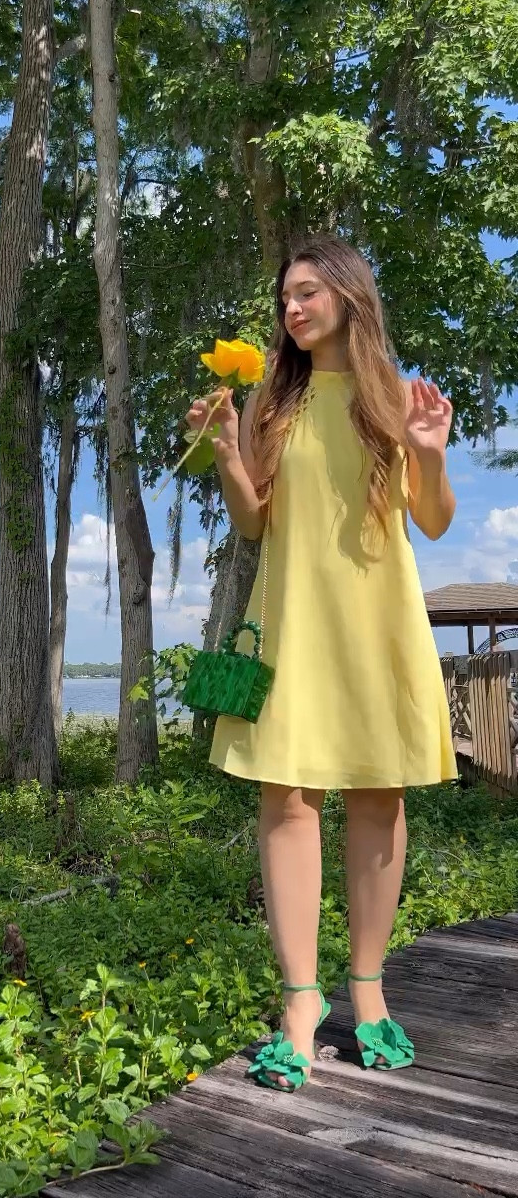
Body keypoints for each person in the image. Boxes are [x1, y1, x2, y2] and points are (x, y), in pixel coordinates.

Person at [186, 233, 457, 1092]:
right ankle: (301, 1002)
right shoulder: (276, 401)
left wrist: (429, 451)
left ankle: (369, 991)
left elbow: (435, 520)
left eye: (307, 292)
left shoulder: (394, 398)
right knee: (288, 798)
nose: (292, 308)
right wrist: (226, 450)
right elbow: (253, 522)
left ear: (348, 294)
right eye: (285, 298)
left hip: (378, 622)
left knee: (380, 795)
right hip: (294, 619)